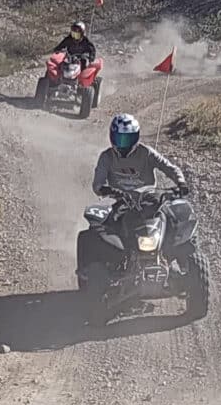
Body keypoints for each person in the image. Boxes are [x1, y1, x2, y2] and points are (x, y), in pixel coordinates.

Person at [77, 114, 192, 286]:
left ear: (136, 137)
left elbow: (169, 167)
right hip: (121, 201)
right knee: (98, 229)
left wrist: (181, 182)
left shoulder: (146, 153)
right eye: (119, 138)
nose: (122, 143)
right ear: (111, 136)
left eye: (127, 138)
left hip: (150, 197)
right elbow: (97, 184)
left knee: (179, 219)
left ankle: (185, 262)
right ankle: (101, 268)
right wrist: (109, 190)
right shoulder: (107, 157)